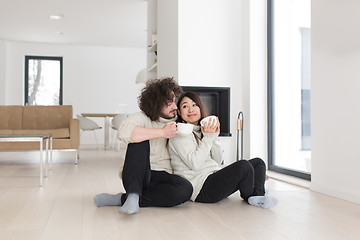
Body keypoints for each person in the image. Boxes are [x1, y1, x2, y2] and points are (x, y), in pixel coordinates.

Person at [94, 78, 193, 214]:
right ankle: (133, 194)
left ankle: (124, 199)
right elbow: (123, 132)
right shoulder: (142, 117)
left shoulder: (178, 121)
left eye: (175, 102)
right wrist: (162, 132)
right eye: (169, 104)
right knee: (138, 139)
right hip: (139, 174)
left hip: (163, 177)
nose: (175, 107)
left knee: (186, 188)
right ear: (156, 104)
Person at [168, 91, 278, 208]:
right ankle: (255, 193)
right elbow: (195, 164)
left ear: (200, 108)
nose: (191, 110)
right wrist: (209, 138)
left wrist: (214, 136)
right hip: (201, 189)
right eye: (185, 106)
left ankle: (257, 194)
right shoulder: (179, 134)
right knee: (244, 166)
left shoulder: (202, 131)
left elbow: (217, 160)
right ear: (179, 112)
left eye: (195, 105)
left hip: (213, 177)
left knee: (258, 163)